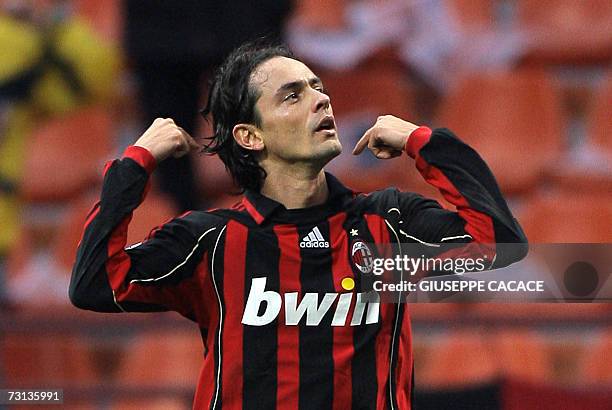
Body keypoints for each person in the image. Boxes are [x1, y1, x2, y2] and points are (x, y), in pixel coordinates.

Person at [69, 42, 527, 409]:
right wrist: (135, 163)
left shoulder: (388, 221)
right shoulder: (210, 242)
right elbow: (93, 284)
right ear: (250, 136)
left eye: (317, 86)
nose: (321, 99)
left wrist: (421, 140)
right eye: (293, 95)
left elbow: (499, 240)